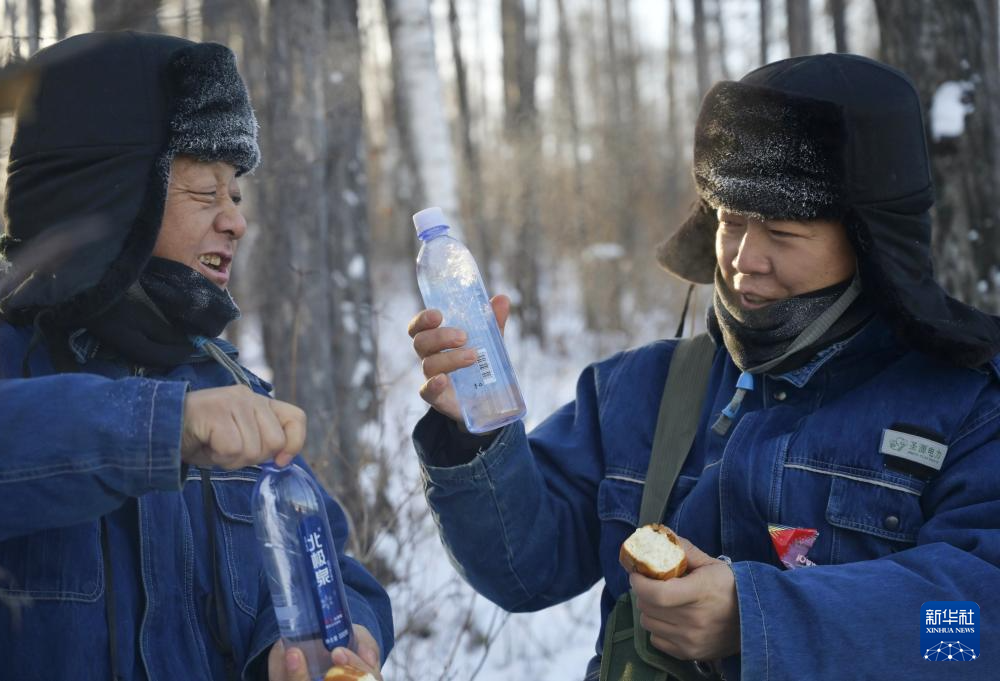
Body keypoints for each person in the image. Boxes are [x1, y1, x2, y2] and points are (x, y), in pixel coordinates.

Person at [407, 53, 1000, 680]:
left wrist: (759, 618)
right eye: (730, 221)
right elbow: (521, 572)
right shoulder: (640, 391)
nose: (745, 258)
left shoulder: (964, 408)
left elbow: (973, 634)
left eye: (782, 233)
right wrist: (473, 424)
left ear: (870, 243)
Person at [0, 31, 391, 680]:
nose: (236, 221)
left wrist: (318, 642)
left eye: (237, 194)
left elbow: (339, 571)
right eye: (205, 192)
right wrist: (159, 427)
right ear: (110, 199)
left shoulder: (229, 387)